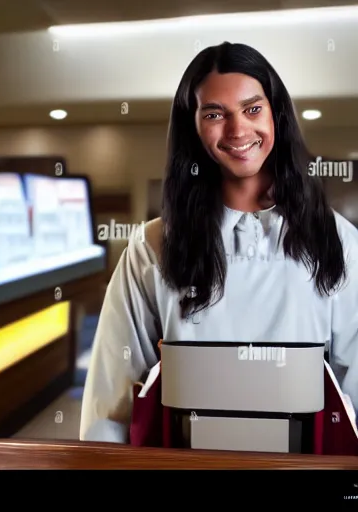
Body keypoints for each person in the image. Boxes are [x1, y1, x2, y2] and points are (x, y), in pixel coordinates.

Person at [80, 42, 358, 443]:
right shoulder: (152, 246)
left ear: (276, 114)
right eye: (215, 114)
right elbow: (112, 399)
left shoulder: (337, 241)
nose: (238, 130)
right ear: (192, 126)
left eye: (252, 109)